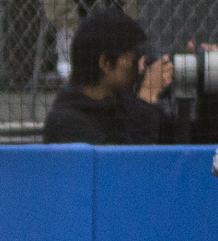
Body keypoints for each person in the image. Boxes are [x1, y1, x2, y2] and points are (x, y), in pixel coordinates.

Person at [42, 8, 174, 144]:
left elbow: (176, 137)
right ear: (105, 63)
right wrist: (147, 96)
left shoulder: (120, 105)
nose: (138, 68)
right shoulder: (66, 122)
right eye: (133, 60)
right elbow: (128, 161)